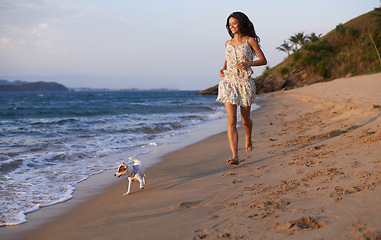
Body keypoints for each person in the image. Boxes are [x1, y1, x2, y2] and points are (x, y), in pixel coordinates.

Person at [216, 12, 267, 165]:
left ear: (242, 23)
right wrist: (223, 68)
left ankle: (249, 137)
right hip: (229, 83)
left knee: (245, 121)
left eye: (235, 23)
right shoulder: (227, 43)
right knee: (231, 121)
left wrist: (247, 64)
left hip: (245, 83)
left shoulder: (249, 41)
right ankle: (235, 156)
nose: (232, 27)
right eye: (230, 24)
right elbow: (228, 58)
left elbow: (263, 60)